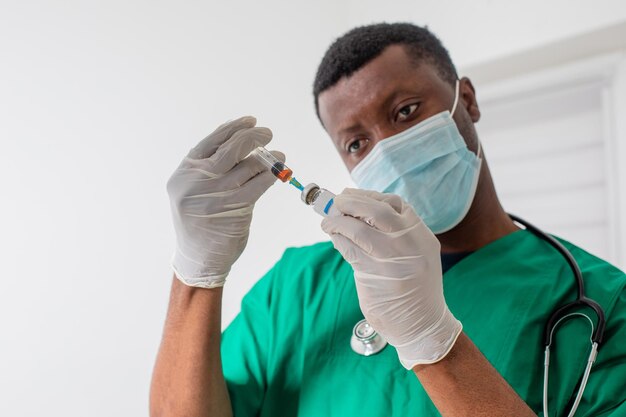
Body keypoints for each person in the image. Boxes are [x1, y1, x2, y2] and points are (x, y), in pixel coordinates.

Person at [150, 23, 626, 417]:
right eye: (357, 143)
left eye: (405, 111)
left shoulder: (604, 303)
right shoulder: (295, 286)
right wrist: (196, 273)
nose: (388, 150)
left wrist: (433, 342)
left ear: (468, 100)